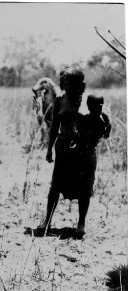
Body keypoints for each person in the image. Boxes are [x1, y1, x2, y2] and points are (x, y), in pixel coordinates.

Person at [40, 66, 86, 234]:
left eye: (68, 81)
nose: (64, 84)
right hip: (63, 147)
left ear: (77, 83)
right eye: (64, 81)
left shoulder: (87, 100)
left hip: (82, 150)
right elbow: (54, 126)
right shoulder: (60, 99)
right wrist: (49, 149)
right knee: (55, 186)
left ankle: (81, 223)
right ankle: (47, 220)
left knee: (83, 187)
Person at [75, 95, 111, 233]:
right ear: (89, 106)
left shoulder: (98, 120)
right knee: (83, 188)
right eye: (97, 105)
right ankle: (81, 223)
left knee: (85, 189)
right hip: (83, 155)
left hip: (88, 155)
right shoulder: (99, 120)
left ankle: (81, 222)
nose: (100, 108)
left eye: (101, 105)